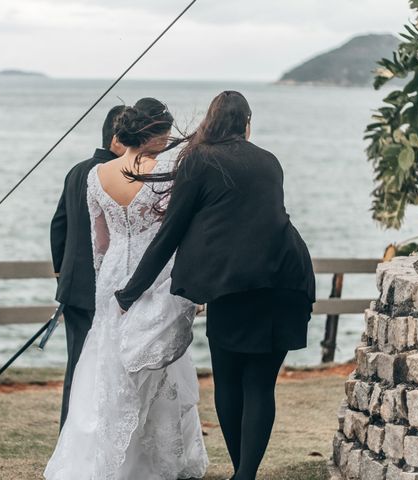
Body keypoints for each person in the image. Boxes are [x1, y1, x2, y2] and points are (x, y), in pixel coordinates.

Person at [115, 91, 316, 480]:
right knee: (259, 384)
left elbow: (170, 232)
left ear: (210, 121)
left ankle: (242, 475)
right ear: (246, 123)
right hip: (287, 279)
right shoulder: (269, 161)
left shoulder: (199, 159)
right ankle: (245, 475)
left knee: (228, 379)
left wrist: (130, 291)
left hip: (235, 286)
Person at [44, 98, 208, 480]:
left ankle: (96, 454)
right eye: (165, 131)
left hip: (112, 273)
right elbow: (176, 233)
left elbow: (98, 241)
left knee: (107, 361)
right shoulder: (165, 173)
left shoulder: (96, 175)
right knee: (155, 361)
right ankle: (150, 460)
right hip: (156, 277)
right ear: (155, 133)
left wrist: (107, 277)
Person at [49, 105, 126, 428]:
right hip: (102, 289)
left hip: (72, 287)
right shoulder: (116, 176)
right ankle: (92, 436)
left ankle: (70, 434)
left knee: (77, 365)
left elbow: (59, 226)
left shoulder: (77, 170)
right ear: (117, 139)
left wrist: (61, 273)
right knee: (103, 366)